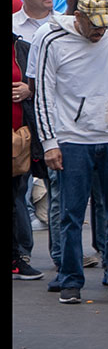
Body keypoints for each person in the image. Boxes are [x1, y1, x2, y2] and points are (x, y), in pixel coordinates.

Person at [32, 0, 108, 303]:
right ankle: (70, 278)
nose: (99, 31)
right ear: (77, 15)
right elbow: (43, 95)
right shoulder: (54, 40)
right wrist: (50, 143)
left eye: (103, 25)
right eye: (94, 24)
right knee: (71, 214)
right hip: (73, 138)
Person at [12, 25, 44, 280]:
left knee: (17, 196)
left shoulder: (21, 48)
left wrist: (28, 90)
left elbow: (42, 85)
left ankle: (20, 256)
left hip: (18, 140)